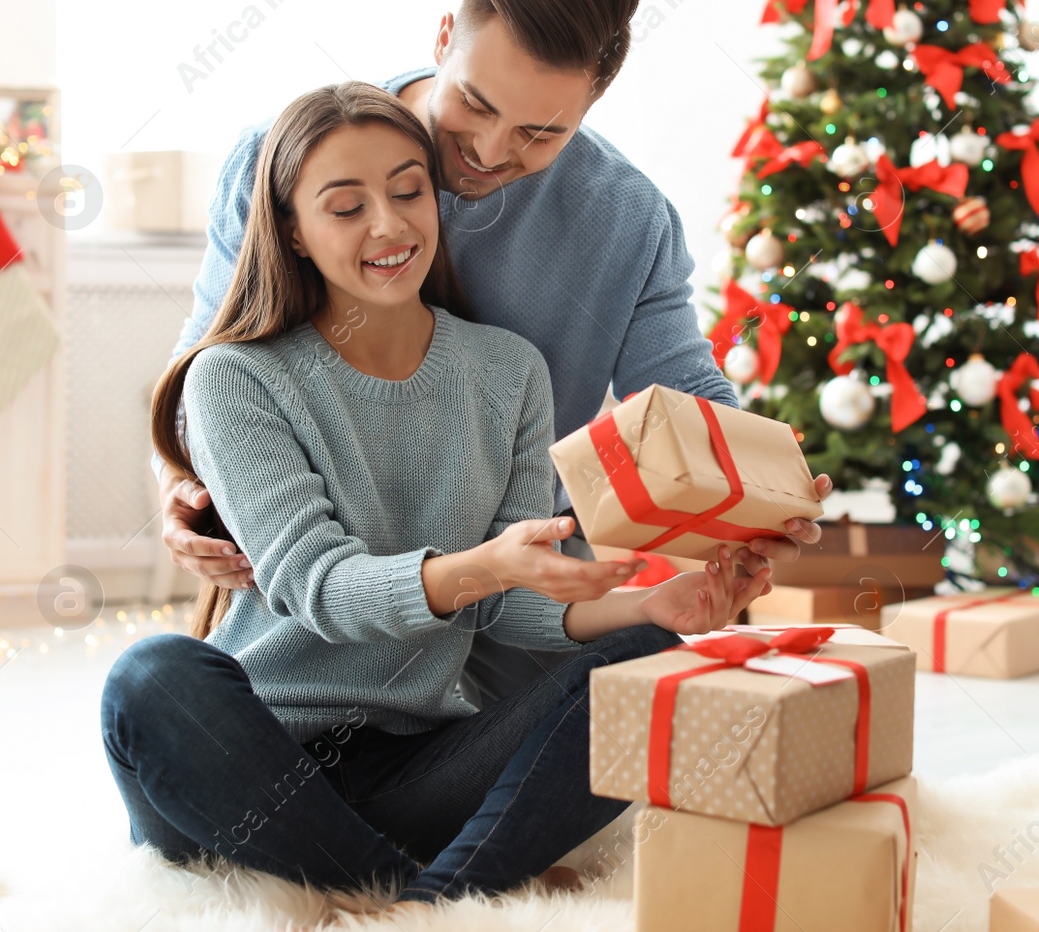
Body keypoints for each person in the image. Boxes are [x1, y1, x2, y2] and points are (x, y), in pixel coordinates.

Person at [104, 82, 769, 907]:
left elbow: (508, 608)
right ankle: (430, 895)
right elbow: (320, 588)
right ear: (291, 231)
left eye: (409, 192)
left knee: (649, 661)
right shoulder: (237, 379)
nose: (388, 225)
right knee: (150, 678)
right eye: (345, 207)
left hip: (421, 768)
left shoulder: (506, 371)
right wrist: (483, 565)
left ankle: (402, 898)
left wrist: (649, 605)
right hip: (247, 765)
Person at [156, 0, 832, 708]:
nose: (486, 148)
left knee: (620, 703)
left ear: (590, 107)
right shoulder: (292, 159)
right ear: (445, 38)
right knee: (180, 696)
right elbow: (211, 352)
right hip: (318, 597)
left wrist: (763, 494)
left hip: (524, 591)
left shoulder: (626, 218)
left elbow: (679, 390)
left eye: (540, 133)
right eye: (474, 102)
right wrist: (179, 483)